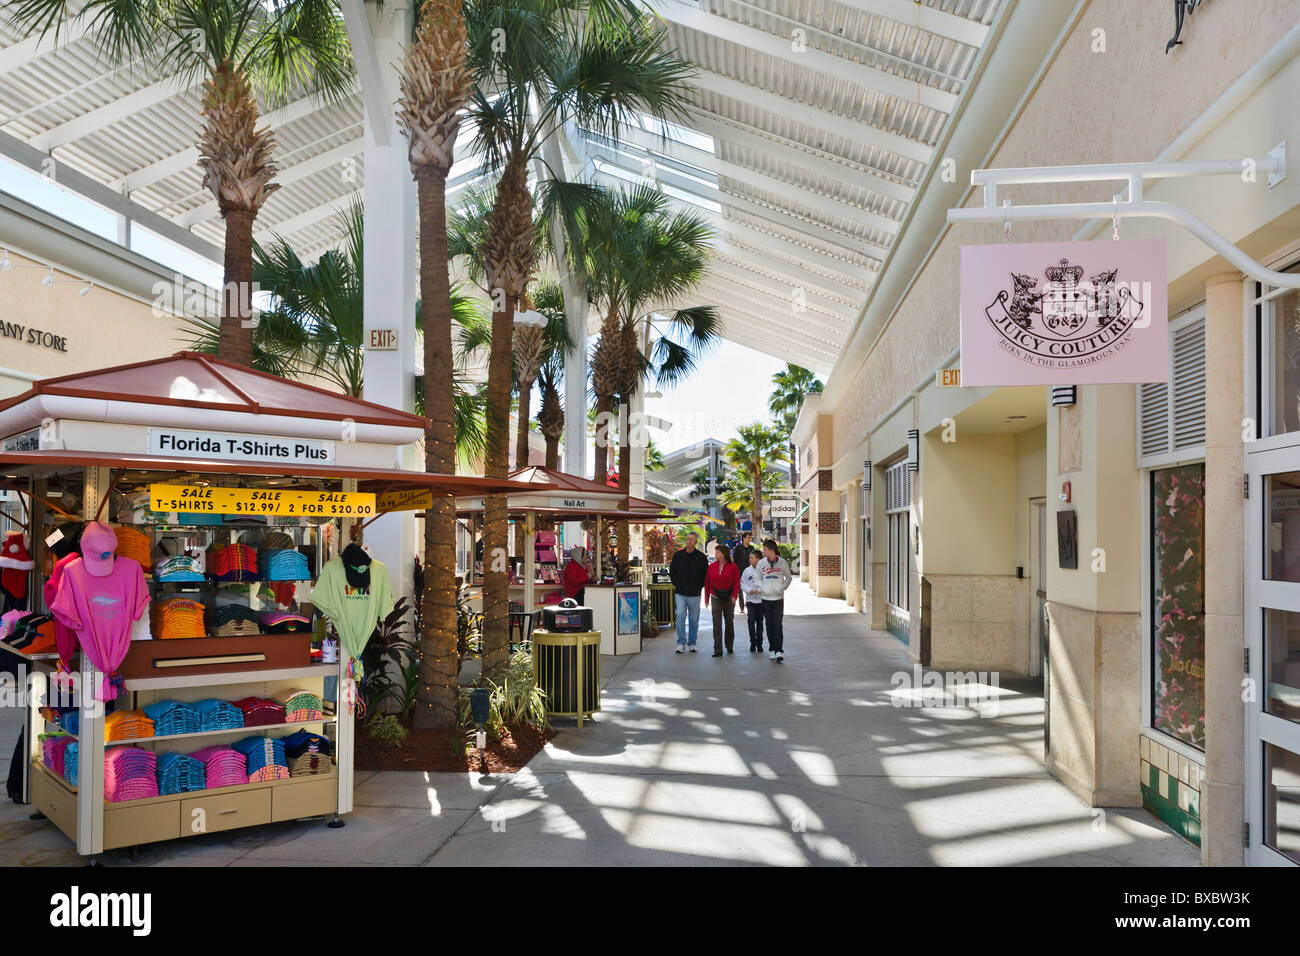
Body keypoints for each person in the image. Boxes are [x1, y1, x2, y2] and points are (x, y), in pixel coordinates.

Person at [668, 532, 708, 653]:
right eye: (688, 539)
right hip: (680, 593)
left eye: (692, 539)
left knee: (694, 619)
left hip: (695, 594)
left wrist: (699, 587)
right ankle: (680, 643)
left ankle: (692, 643)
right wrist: (676, 584)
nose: (689, 541)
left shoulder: (701, 557)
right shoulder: (678, 556)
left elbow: (705, 575)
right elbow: (672, 572)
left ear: (696, 542)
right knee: (680, 616)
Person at [756, 538, 793, 662]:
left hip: (778, 599)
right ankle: (772, 649)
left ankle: (779, 650)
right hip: (765, 599)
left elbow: (788, 577)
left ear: (771, 550)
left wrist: (782, 588)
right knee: (769, 624)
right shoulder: (761, 563)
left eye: (765, 550)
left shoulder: (782, 562)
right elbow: (757, 579)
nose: (763, 552)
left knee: (778, 624)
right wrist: (763, 589)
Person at [703, 542, 740, 656]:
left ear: (723, 554)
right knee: (716, 623)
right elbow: (707, 583)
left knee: (729, 622)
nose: (715, 553)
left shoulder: (733, 566)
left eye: (717, 552)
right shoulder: (712, 566)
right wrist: (706, 599)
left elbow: (736, 582)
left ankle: (729, 646)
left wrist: (734, 596)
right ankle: (717, 649)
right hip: (715, 597)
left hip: (729, 598)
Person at [740, 549, 765, 652]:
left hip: (761, 601)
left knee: (760, 623)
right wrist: (749, 591)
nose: (750, 560)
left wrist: (760, 590)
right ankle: (752, 642)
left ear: (758, 559)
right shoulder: (747, 571)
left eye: (752, 558)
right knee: (751, 622)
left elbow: (767, 583)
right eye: (749, 558)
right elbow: (743, 583)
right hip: (750, 601)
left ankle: (759, 643)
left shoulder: (764, 570)